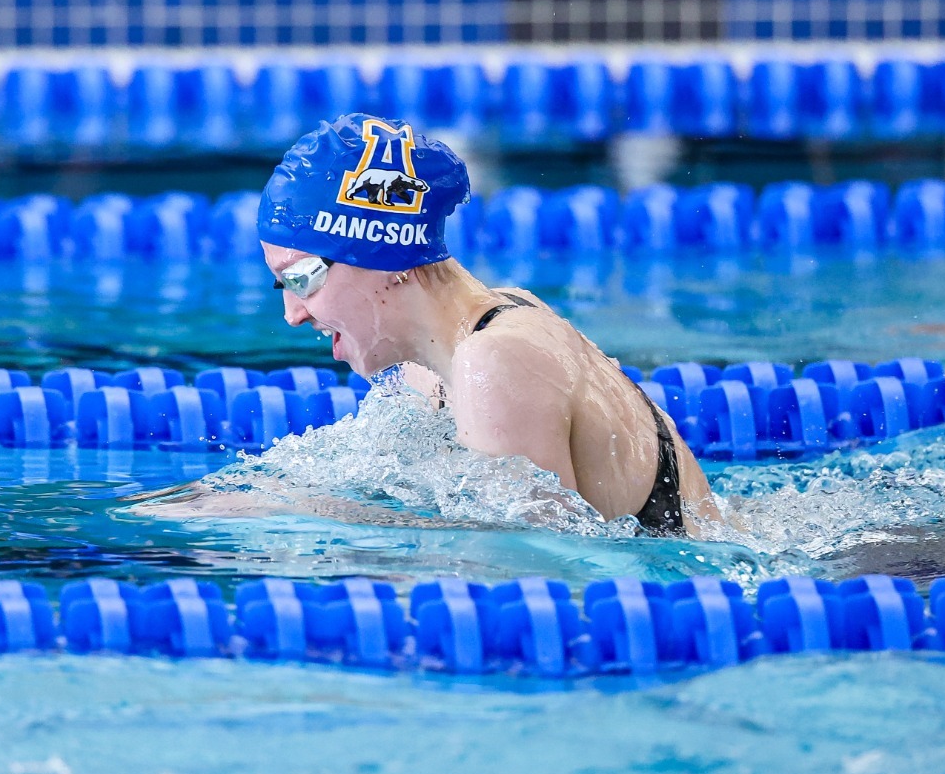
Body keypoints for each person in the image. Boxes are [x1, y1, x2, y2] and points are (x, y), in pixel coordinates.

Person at [256, 114, 720, 536]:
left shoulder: (497, 361)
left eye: (300, 278)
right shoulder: (452, 350)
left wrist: (317, 519)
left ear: (382, 257)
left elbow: (527, 575)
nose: (293, 315)